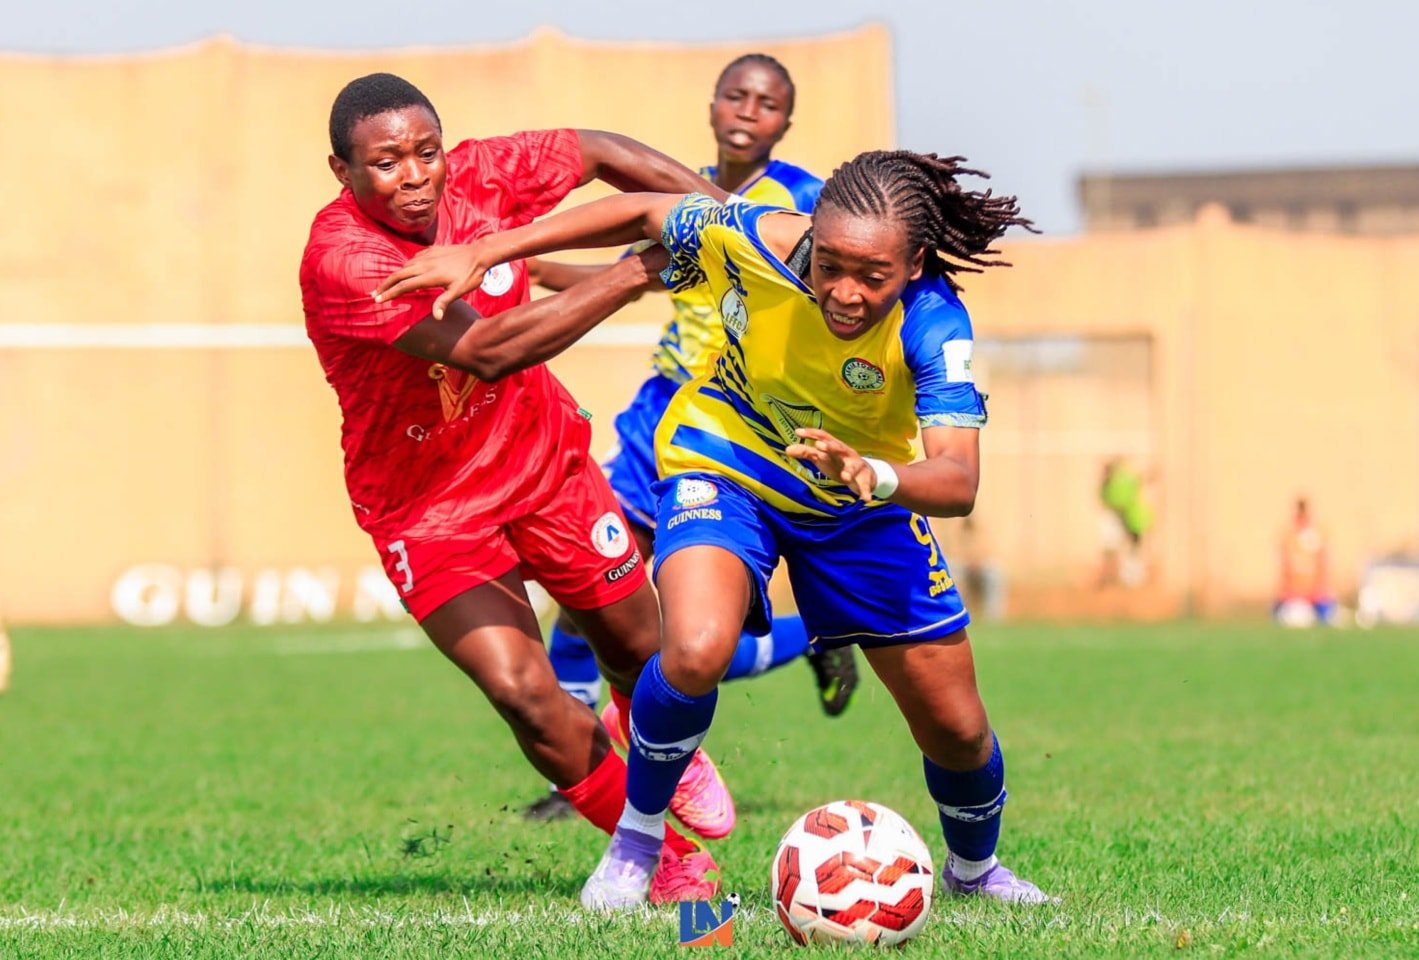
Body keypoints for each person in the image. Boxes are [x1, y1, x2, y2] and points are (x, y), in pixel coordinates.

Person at [374, 149, 1058, 910]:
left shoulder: (933, 322)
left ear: (914, 262)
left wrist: (871, 471)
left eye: (872, 275)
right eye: (829, 265)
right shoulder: (753, 234)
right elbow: (641, 209)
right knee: (695, 649)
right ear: (810, 236)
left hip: (858, 501)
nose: (844, 292)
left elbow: (957, 479)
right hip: (726, 463)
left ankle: (975, 871)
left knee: (957, 730)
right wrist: (486, 250)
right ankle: (636, 843)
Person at [299, 72, 737, 904]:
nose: (415, 175)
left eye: (426, 152)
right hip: (430, 512)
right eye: (386, 162)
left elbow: (601, 152)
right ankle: (659, 857)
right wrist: (641, 268)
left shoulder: (480, 175)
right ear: (342, 171)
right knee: (523, 692)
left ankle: (645, 724)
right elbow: (491, 350)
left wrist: (726, 221)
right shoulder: (345, 259)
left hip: (547, 473)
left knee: (643, 655)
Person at [520, 53, 860, 827]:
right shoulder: (677, 195)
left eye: (765, 102)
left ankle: (808, 638)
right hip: (657, 418)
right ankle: (578, 769)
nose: (747, 111)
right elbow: (631, 277)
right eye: (735, 96)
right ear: (712, 106)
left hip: (740, 422)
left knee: (689, 635)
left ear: (784, 123)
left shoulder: (801, 200)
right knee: (588, 588)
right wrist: (534, 270)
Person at [1275, 497, 1337, 626]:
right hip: (1294, 595)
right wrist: (1286, 593)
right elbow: (1285, 567)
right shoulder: (1288, 536)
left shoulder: (1318, 535)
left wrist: (1321, 590)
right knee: (1286, 615)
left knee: (1327, 615)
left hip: (1315, 594)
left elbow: (1323, 564)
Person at [1098, 457, 1154, 587]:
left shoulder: (1124, 481)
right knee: (1114, 548)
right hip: (1120, 517)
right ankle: (1113, 576)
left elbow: (1141, 478)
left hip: (1129, 518)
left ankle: (1131, 577)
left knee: (1132, 548)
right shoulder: (1110, 485)